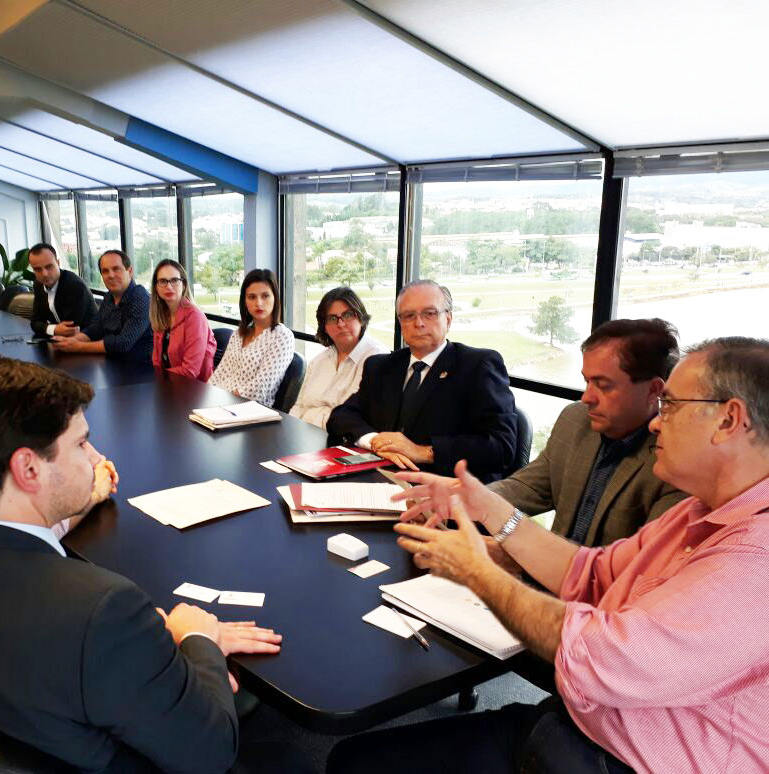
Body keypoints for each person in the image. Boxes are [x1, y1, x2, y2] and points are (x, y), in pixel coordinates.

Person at [328, 336, 769, 774]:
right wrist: (488, 508)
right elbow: (592, 572)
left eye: (670, 405)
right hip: (582, 726)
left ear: (729, 420)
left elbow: (604, 659)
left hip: (618, 759)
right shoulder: (699, 512)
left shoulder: (753, 560)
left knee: (355, 764)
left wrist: (478, 572)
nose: (657, 422)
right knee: (356, 758)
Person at [0, 358, 282, 772]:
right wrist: (199, 639)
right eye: (81, 444)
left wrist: (141, 642)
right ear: (28, 469)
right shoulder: (101, 610)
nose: (94, 457)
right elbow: (210, 754)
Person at [489, 318, 686, 553]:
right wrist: (464, 496)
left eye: (603, 385)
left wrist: (516, 551)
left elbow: (639, 563)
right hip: (543, 567)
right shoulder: (575, 419)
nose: (586, 398)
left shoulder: (676, 465)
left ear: (653, 390)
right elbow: (530, 487)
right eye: (587, 381)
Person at [327, 279, 516, 483]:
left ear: (448, 319)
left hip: (445, 488)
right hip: (379, 480)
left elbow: (501, 447)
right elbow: (341, 415)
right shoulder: (381, 366)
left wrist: (422, 451)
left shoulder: (478, 366)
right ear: (400, 323)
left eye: (430, 313)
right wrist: (375, 441)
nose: (419, 323)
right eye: (409, 316)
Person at [290, 287, 387, 429]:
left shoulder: (376, 359)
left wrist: (310, 418)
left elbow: (351, 417)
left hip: (340, 438)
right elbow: (299, 407)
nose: (341, 324)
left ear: (361, 317)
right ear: (324, 326)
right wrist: (289, 430)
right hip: (304, 433)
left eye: (348, 315)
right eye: (332, 318)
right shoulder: (318, 361)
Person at [209, 269, 295, 406]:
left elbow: (261, 388)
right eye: (252, 297)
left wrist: (224, 399)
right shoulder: (238, 334)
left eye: (265, 296)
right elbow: (220, 373)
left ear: (275, 298)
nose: (259, 303)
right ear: (245, 301)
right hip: (220, 403)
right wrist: (208, 394)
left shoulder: (282, 336)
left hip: (251, 409)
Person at [51, 249, 153, 361]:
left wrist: (78, 347)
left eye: (116, 269)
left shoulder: (141, 297)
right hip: (112, 363)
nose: (111, 275)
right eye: (105, 271)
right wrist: (70, 341)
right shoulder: (109, 297)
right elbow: (96, 328)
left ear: (130, 271)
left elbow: (123, 343)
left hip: (139, 366)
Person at [149, 258, 216, 381]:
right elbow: (156, 363)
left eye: (174, 280)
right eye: (163, 281)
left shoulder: (195, 317)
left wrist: (156, 377)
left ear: (184, 284)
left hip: (194, 388)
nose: (169, 286)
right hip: (167, 385)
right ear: (156, 287)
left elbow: (190, 371)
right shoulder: (161, 315)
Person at [27, 242, 97, 337]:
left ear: (58, 263)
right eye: (38, 269)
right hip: (61, 339)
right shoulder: (39, 284)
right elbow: (35, 323)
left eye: (49, 267)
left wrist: (49, 328)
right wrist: (54, 329)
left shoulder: (74, 286)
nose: (44, 274)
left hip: (87, 340)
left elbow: (70, 329)